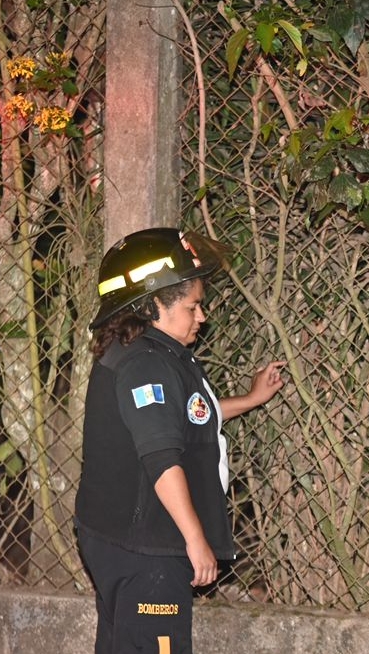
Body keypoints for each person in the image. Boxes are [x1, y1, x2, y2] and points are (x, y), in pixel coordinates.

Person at [74, 227, 286, 654]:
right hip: (148, 547)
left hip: (121, 538)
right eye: (193, 305)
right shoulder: (146, 365)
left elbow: (181, 417)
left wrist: (250, 399)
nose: (202, 316)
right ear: (155, 304)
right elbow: (161, 456)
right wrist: (195, 539)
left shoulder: (137, 351)